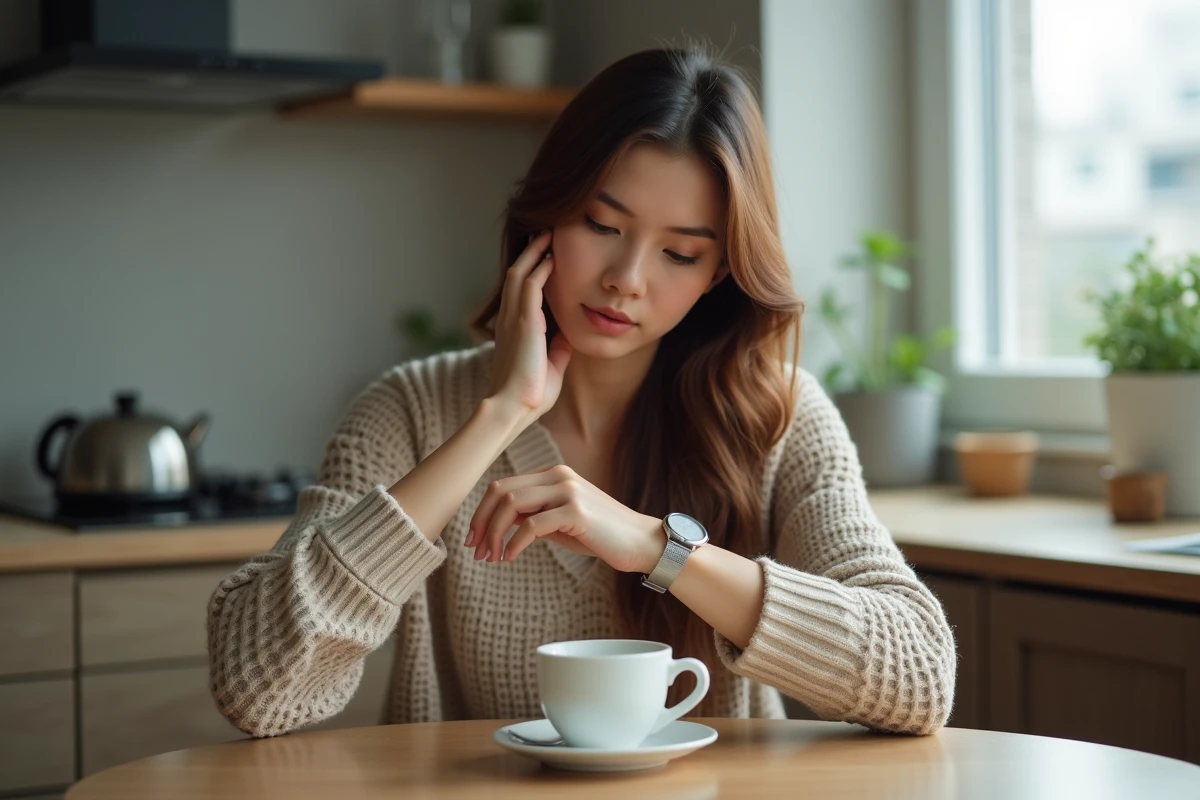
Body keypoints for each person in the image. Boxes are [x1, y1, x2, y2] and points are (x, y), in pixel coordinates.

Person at [207, 45, 956, 740]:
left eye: (679, 252)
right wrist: (499, 418)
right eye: (602, 223)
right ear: (546, 214)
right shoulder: (405, 414)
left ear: (719, 273)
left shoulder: (779, 417)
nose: (627, 277)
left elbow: (920, 675)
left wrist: (657, 548)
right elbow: (257, 688)